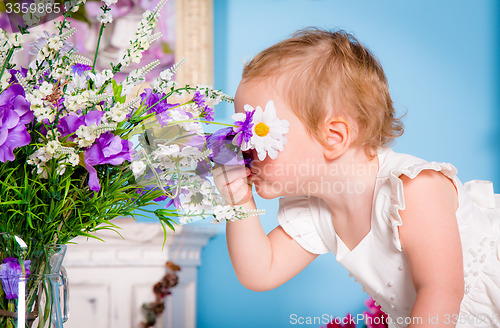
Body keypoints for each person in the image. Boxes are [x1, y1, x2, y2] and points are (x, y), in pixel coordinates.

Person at [212, 28, 500, 328]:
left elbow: (442, 292)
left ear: (334, 137)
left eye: (258, 133)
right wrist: (239, 201)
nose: (243, 147)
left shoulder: (413, 190)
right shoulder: (316, 210)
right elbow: (261, 271)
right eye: (242, 131)